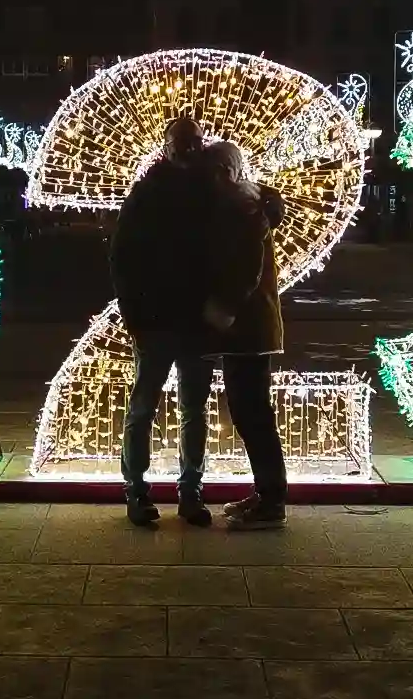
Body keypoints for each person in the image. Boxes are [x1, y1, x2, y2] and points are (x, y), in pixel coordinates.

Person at [109, 113, 215, 528]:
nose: (189, 148)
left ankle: (191, 492)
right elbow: (122, 256)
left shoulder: (212, 190)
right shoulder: (147, 193)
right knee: (143, 408)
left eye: (195, 141)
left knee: (194, 409)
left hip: (195, 322)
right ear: (166, 146)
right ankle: (136, 491)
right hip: (155, 320)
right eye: (180, 141)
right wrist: (134, 313)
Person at [199, 139, 289, 530]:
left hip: (247, 328)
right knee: (248, 411)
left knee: (253, 413)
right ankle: (265, 494)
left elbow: (247, 269)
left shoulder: (244, 207)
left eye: (214, 171)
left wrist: (223, 310)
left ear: (228, 171)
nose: (209, 179)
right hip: (245, 328)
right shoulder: (241, 203)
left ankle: (272, 501)